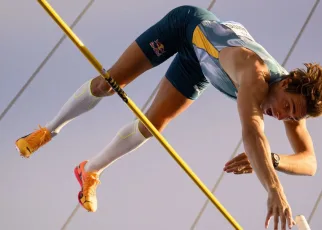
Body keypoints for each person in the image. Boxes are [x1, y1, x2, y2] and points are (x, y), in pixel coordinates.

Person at [15, 5, 321, 230]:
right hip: (185, 28)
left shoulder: (292, 103)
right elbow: (253, 132)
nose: (283, 116)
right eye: (287, 108)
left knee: (152, 126)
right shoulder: (255, 75)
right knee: (109, 83)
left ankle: (89, 171)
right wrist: (274, 189)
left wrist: (274, 160)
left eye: (290, 115)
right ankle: (48, 131)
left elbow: (309, 163)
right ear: (285, 83)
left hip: (200, 65)